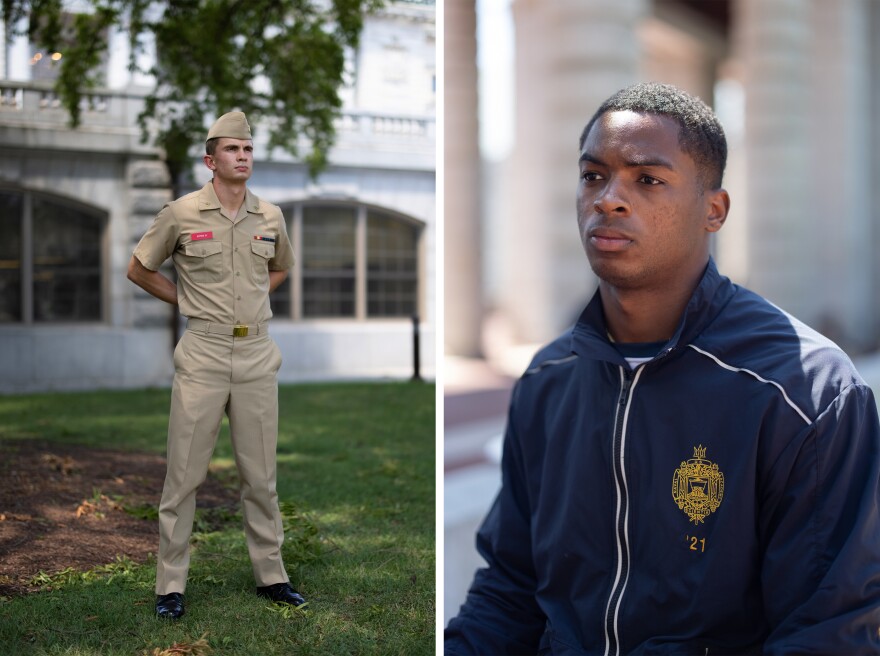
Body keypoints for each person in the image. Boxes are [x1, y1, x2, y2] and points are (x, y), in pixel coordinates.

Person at [445, 83, 880, 653]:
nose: (609, 199)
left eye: (647, 179)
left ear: (713, 211)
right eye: (593, 175)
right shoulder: (548, 379)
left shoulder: (807, 392)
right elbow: (510, 589)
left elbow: (828, 632)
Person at [128, 111, 306, 619]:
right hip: (202, 355)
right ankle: (170, 586)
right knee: (184, 476)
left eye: (247, 149)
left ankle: (272, 577)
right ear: (211, 160)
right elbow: (139, 268)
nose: (242, 157)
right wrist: (186, 301)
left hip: (256, 354)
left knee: (260, 477)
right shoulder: (181, 213)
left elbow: (281, 268)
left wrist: (252, 299)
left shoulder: (270, 216)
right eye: (232, 149)